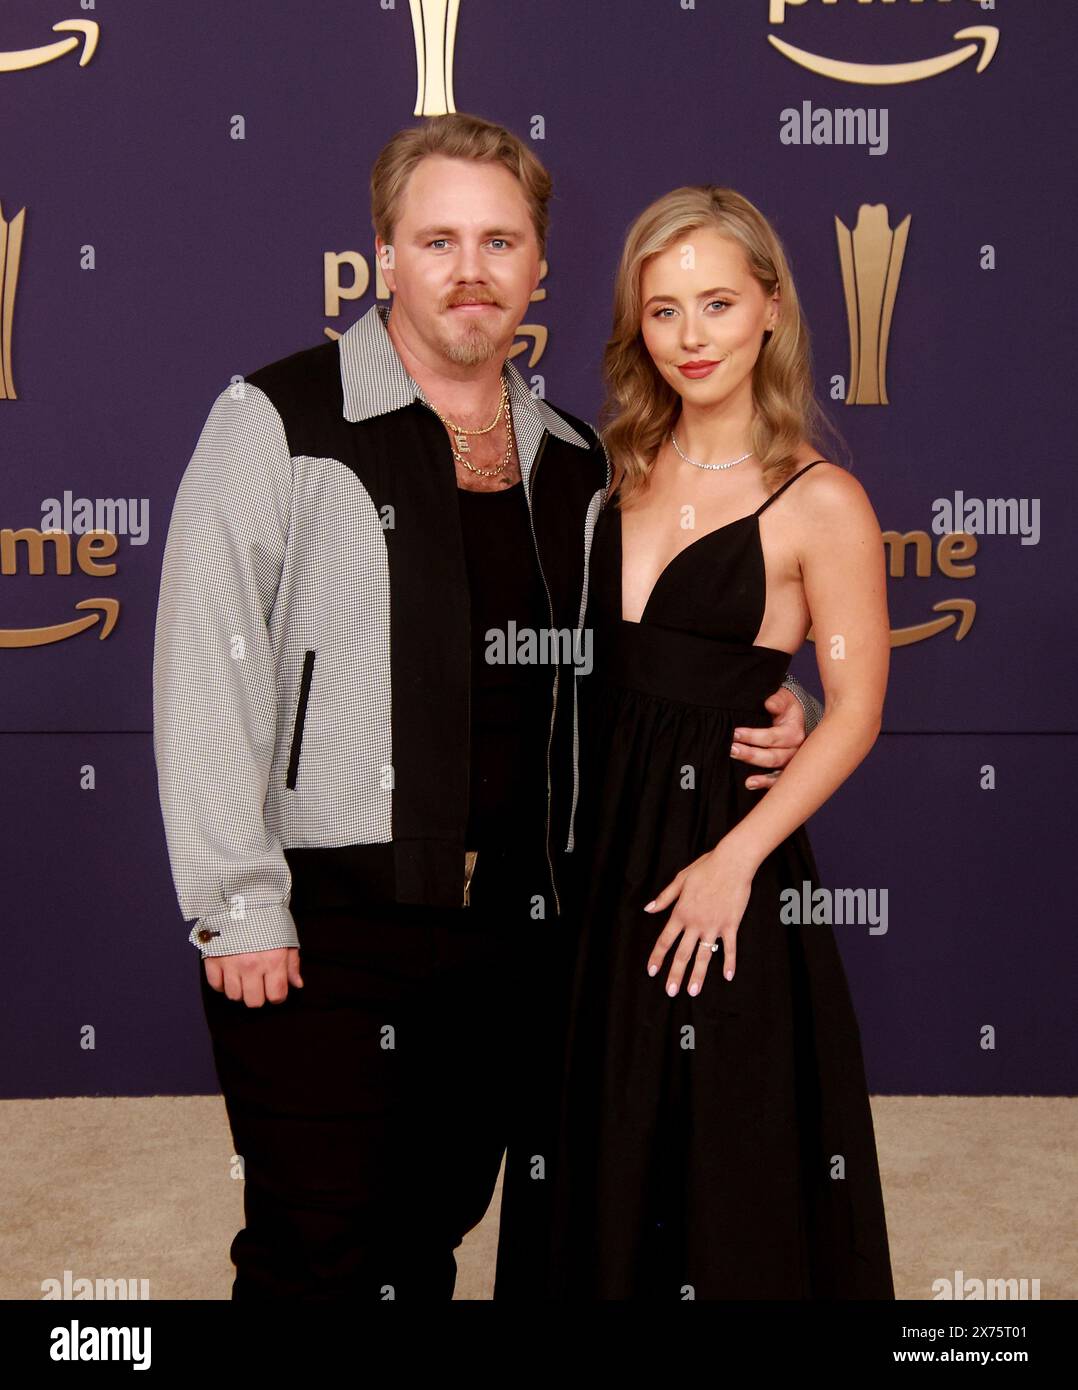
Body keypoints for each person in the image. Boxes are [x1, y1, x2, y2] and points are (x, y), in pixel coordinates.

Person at [152, 114, 820, 1300]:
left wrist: (773, 693)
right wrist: (237, 903)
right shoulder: (276, 419)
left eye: (499, 241)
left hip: (519, 935)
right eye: (439, 240)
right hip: (324, 928)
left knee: (426, 1242)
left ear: (538, 269)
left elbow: (627, 667)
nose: (470, 270)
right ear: (383, 257)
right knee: (320, 1248)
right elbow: (206, 667)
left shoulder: (572, 460)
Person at [510, 186, 895, 1300]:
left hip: (717, 854)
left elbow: (856, 705)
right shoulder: (602, 470)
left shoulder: (821, 499)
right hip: (591, 855)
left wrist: (736, 863)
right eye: (664, 310)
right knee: (596, 1125)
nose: (690, 337)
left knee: (720, 1141)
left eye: (716, 304)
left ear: (769, 309)